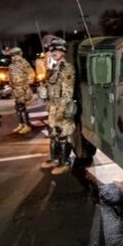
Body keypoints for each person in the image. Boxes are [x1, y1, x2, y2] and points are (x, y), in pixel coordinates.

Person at [39, 39, 76, 175]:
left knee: (62, 134)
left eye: (57, 50)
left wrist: (62, 110)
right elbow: (50, 86)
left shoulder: (67, 68)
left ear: (63, 52)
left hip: (62, 107)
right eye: (52, 51)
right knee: (53, 134)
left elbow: (67, 92)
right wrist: (44, 92)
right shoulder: (54, 68)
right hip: (53, 106)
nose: (54, 53)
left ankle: (65, 162)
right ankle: (55, 159)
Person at [8, 47, 36, 135]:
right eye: (12, 56)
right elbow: (10, 76)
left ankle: (27, 125)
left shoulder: (24, 63)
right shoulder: (12, 65)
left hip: (22, 88)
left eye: (14, 55)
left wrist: (26, 84)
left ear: (19, 55)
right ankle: (21, 124)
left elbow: (31, 74)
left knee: (22, 107)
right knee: (17, 107)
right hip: (15, 89)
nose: (12, 57)